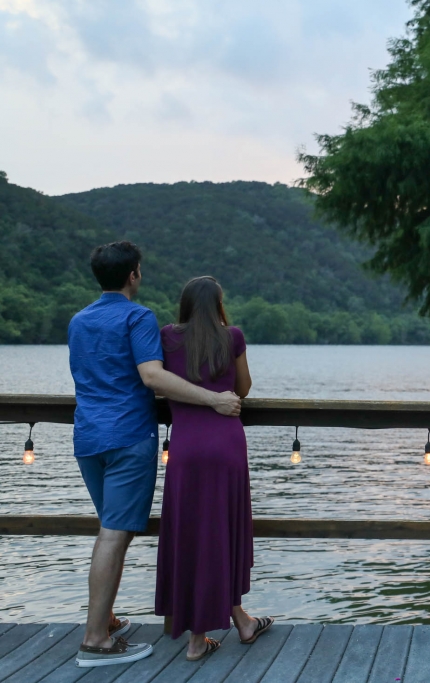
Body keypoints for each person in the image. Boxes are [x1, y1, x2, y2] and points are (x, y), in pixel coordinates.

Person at [69, 242, 241, 668]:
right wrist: (214, 399)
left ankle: (106, 619)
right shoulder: (138, 317)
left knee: (111, 529)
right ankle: (95, 640)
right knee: (115, 533)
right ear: (134, 275)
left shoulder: (79, 320)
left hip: (87, 436)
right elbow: (152, 376)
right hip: (127, 435)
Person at [155, 276, 273, 661]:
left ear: (185, 304)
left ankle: (238, 621)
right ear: (219, 304)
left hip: (186, 448)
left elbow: (158, 384)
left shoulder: (167, 337)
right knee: (223, 532)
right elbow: (243, 388)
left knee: (192, 536)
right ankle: (198, 640)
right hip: (226, 445)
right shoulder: (232, 336)